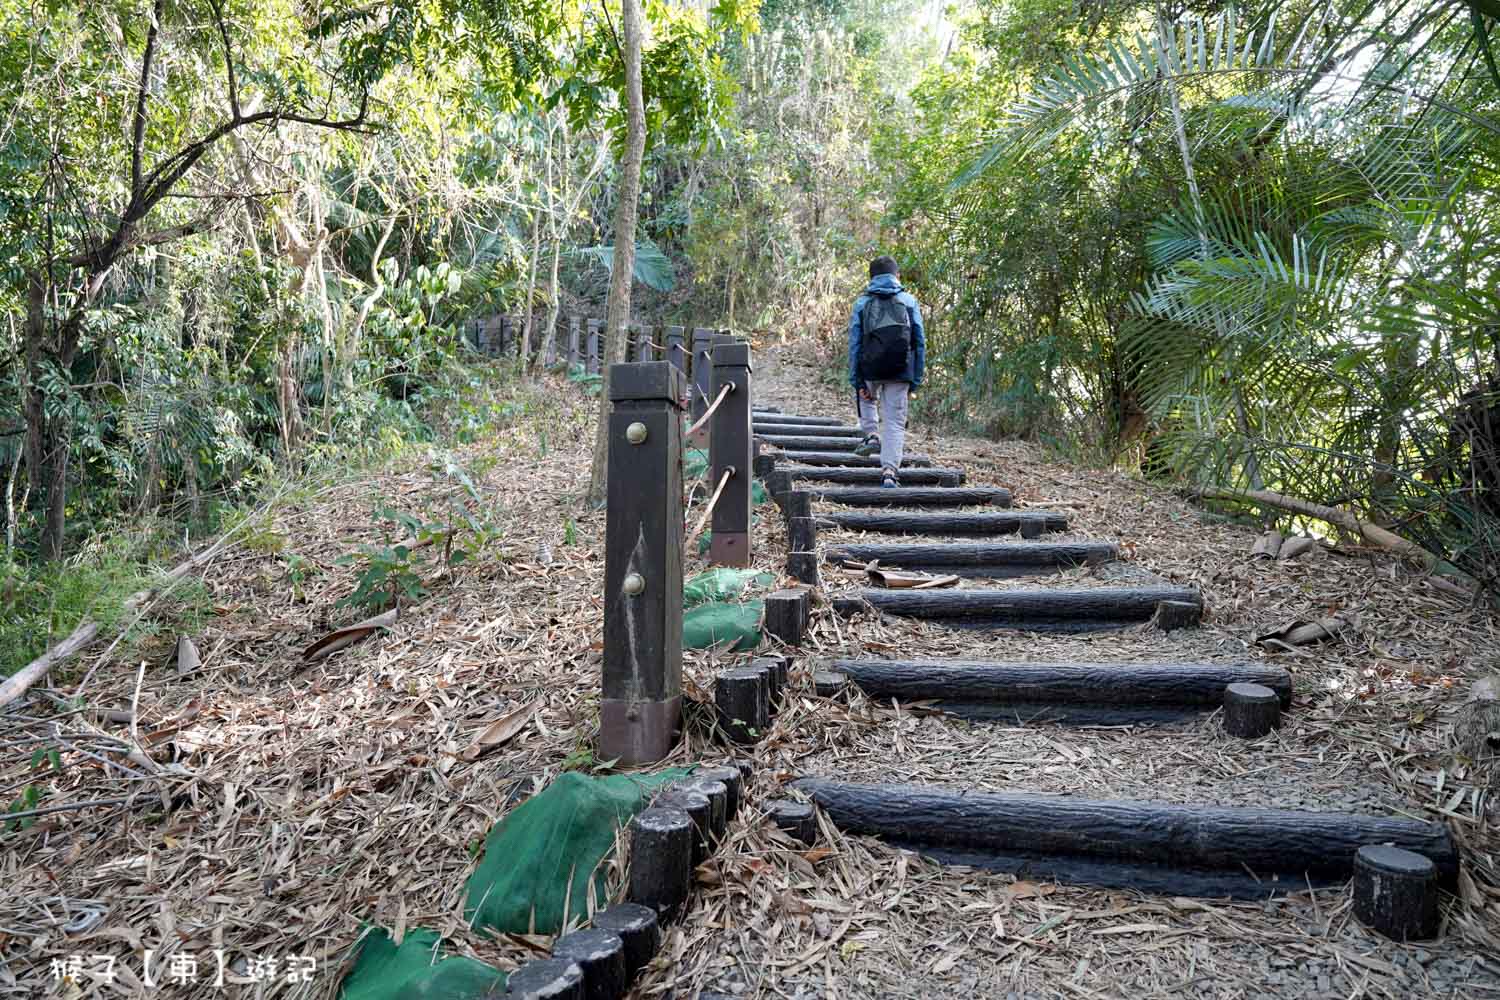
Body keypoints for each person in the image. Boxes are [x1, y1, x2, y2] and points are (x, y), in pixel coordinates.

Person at [847, 255, 925, 487]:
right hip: (901, 369)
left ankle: (871, 434)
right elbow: (919, 341)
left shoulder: (862, 303)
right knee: (894, 422)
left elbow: (855, 344)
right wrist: (916, 377)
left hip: (870, 367)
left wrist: (857, 380)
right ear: (896, 275)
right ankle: (889, 472)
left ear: (871, 278)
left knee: (867, 400)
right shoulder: (908, 301)